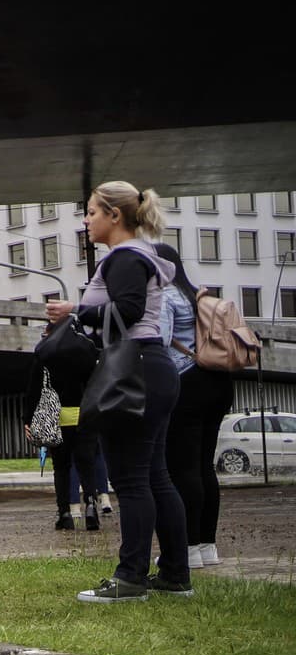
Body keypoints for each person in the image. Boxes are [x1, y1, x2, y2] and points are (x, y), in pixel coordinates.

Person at [46, 182, 190, 603]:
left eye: (91, 212)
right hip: (152, 367)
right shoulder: (141, 254)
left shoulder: (126, 256)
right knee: (155, 476)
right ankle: (175, 576)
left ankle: (130, 578)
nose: (86, 220)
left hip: (135, 369)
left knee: (130, 479)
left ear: (114, 215)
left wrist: (76, 311)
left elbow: (127, 311)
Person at [155, 241, 233, 569]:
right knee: (204, 465)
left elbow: (157, 341)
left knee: (181, 468)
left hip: (186, 381)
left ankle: (186, 548)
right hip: (218, 382)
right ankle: (206, 546)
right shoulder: (197, 294)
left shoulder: (165, 296)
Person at [21, 353, 100, 531]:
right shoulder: (84, 351)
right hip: (83, 415)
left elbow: (33, 389)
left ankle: (64, 513)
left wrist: (28, 419)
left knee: (61, 467)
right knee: (86, 464)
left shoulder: (46, 355)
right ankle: (91, 506)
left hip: (57, 417)